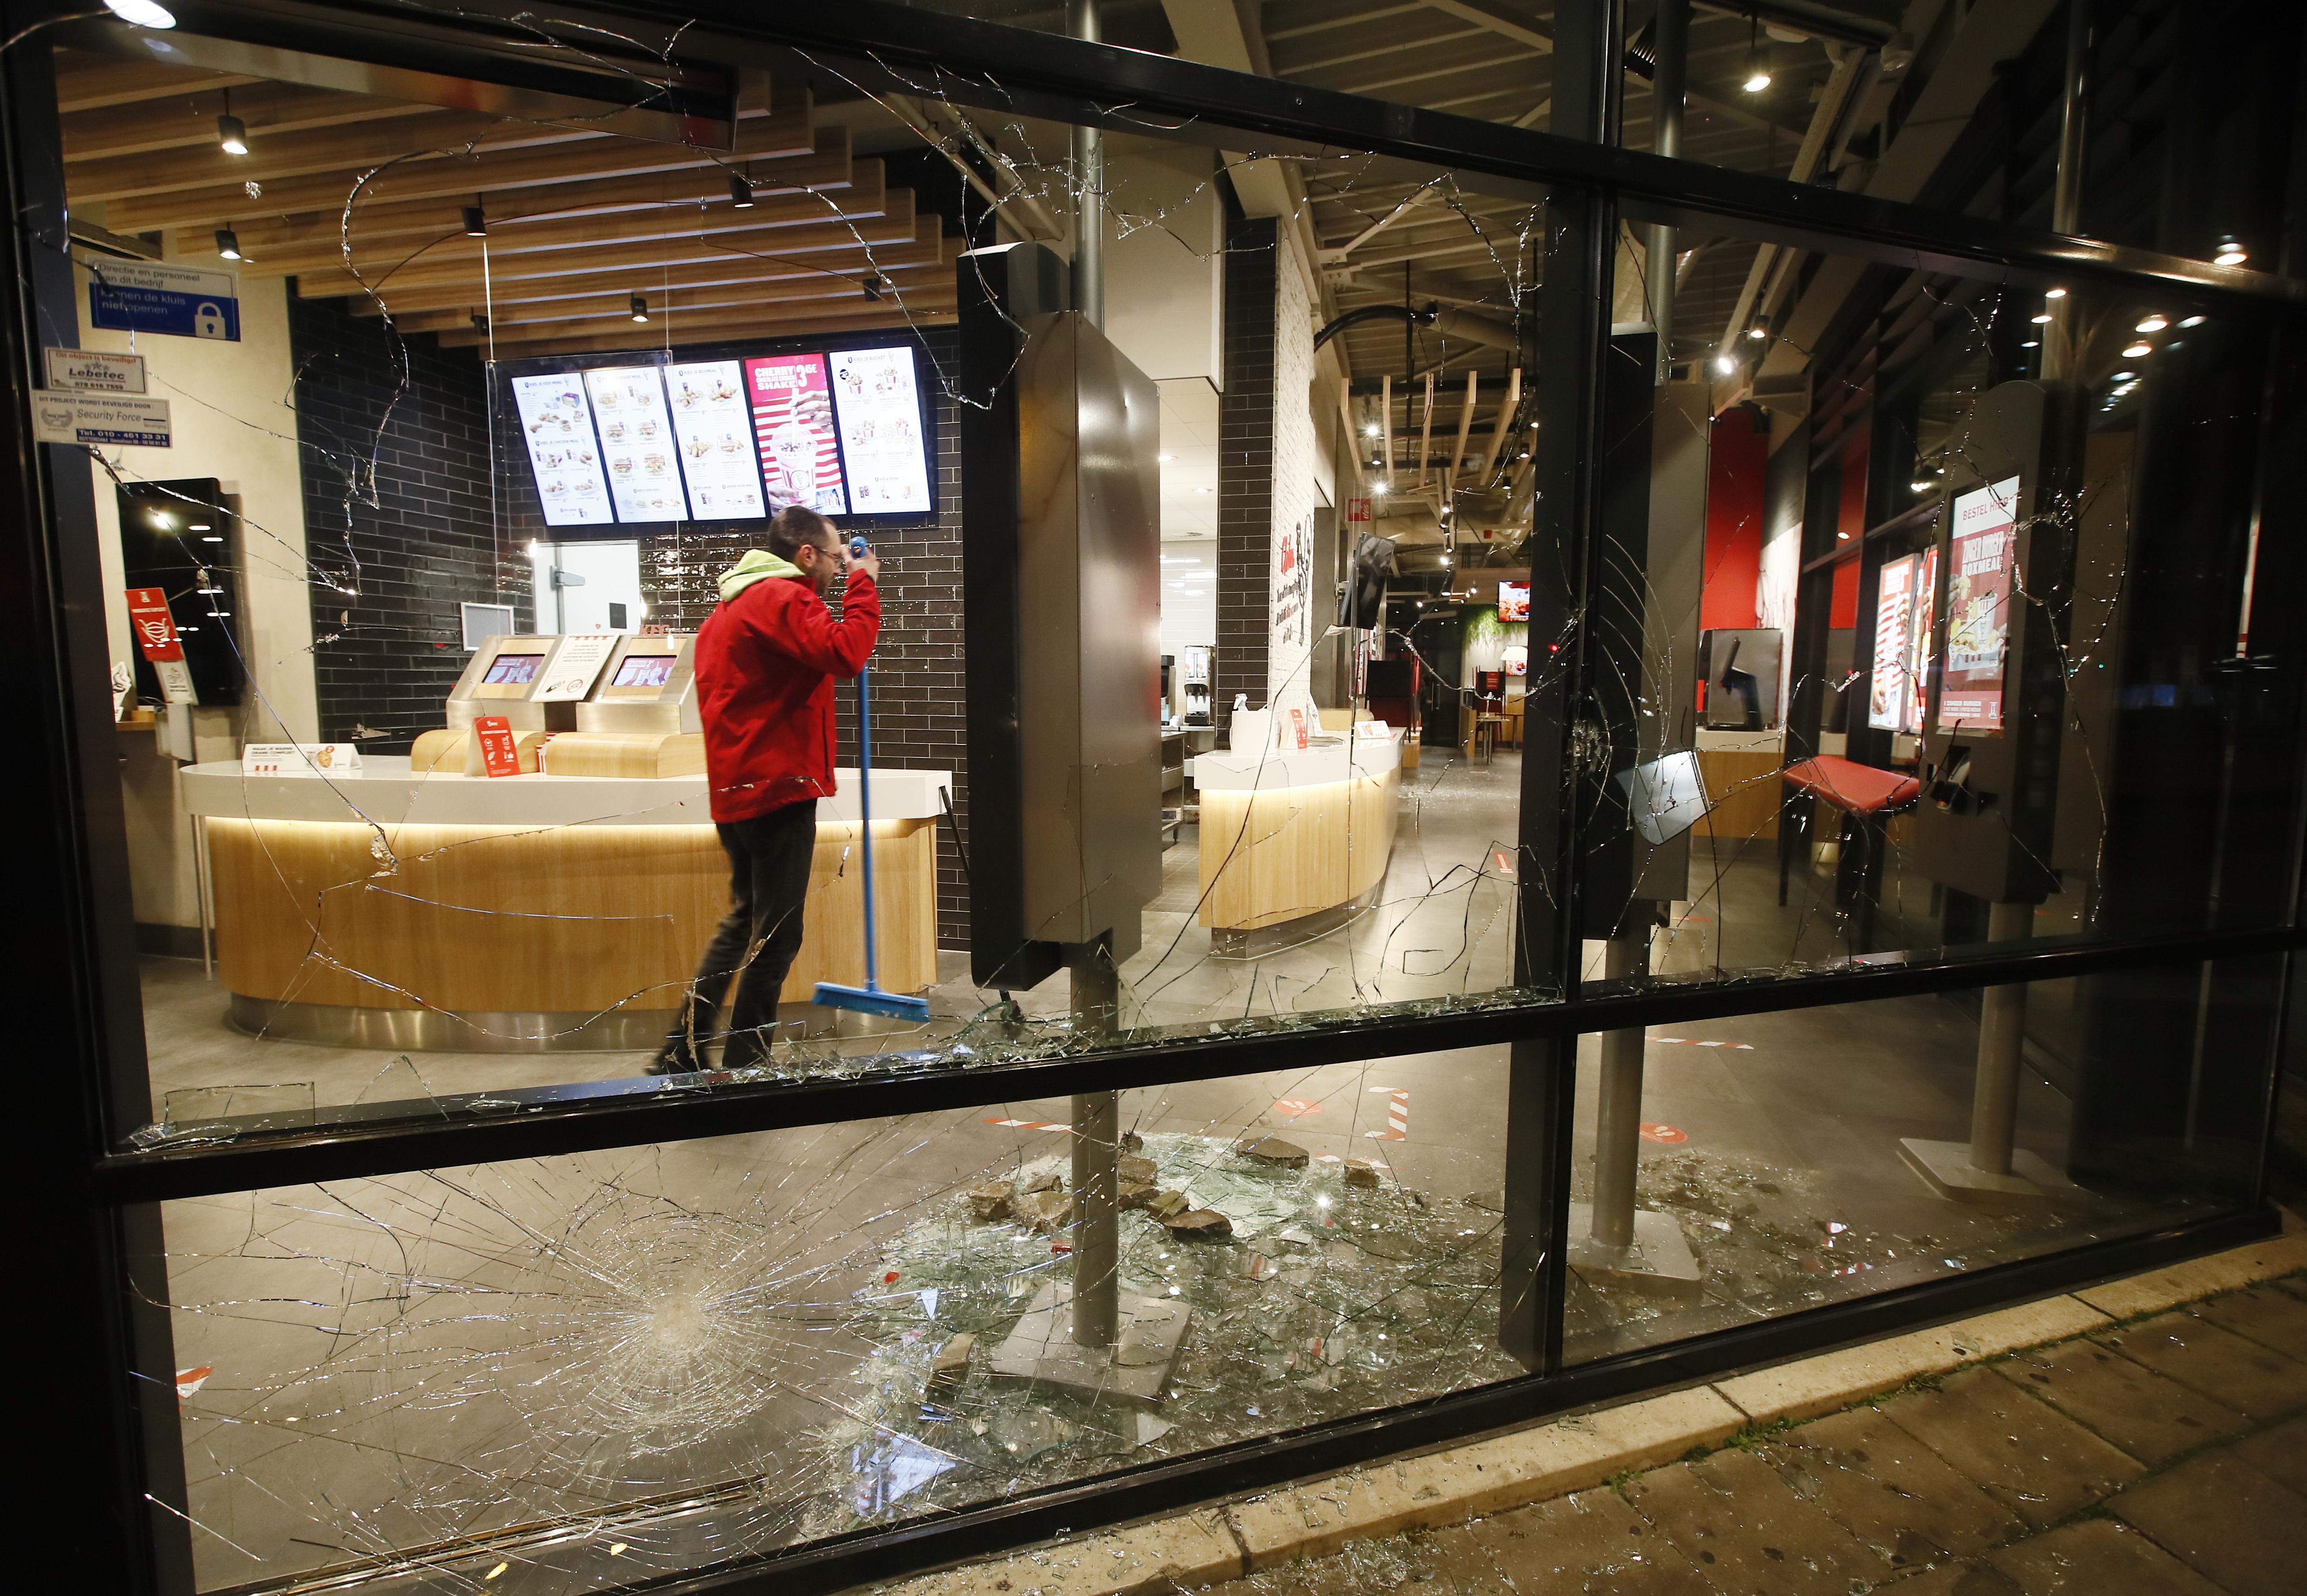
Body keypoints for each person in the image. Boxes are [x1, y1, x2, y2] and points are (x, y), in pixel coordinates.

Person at [651, 506, 882, 1073]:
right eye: (832, 557)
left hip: (736, 791)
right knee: (777, 936)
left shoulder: (728, 606)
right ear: (806, 554)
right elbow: (846, 652)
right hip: (777, 789)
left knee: (745, 922)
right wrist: (863, 584)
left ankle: (682, 1050)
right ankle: (747, 1064)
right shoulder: (782, 598)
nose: (835, 567)